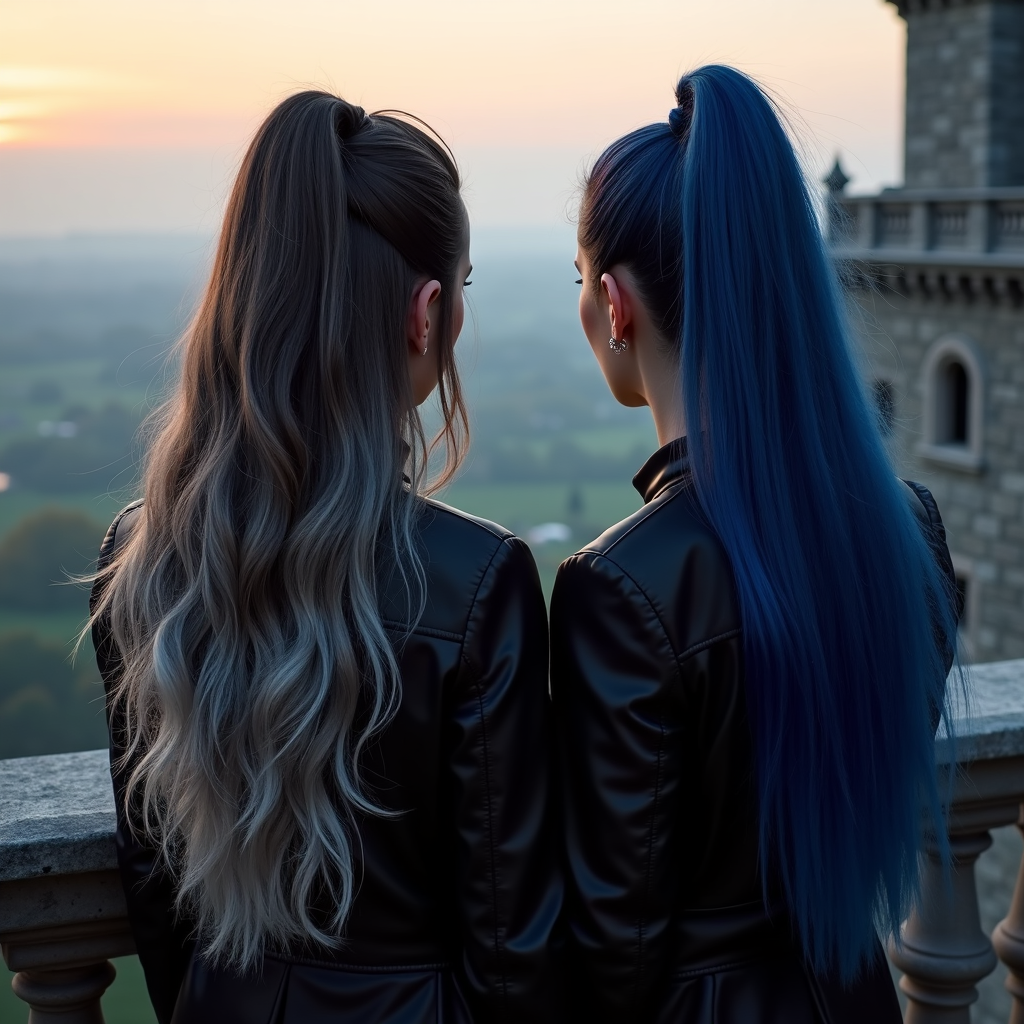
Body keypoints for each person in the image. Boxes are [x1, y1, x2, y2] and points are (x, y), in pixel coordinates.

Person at [89, 91, 561, 1024]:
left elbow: (156, 880)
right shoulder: (478, 586)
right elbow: (511, 943)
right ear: (427, 313)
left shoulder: (137, 560)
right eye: (460, 285)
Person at [551, 65, 958, 1024]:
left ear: (615, 307)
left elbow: (614, 945)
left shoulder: (621, 587)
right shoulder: (909, 528)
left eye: (579, 280)